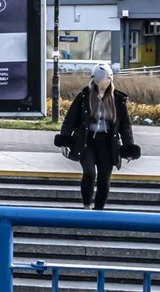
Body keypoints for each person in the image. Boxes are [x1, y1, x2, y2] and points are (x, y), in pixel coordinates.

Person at [55, 62, 140, 210]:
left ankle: (99, 210)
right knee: (89, 173)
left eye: (106, 79)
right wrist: (65, 141)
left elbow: (125, 126)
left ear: (110, 80)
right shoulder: (84, 97)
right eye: (99, 80)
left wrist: (128, 148)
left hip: (107, 143)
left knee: (104, 179)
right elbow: (70, 120)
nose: (102, 83)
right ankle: (86, 206)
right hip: (87, 142)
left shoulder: (118, 99)